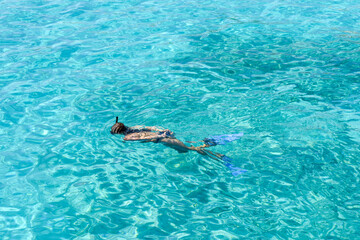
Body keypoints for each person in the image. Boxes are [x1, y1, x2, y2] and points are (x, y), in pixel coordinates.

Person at [110, 117, 247, 175]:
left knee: (192, 149)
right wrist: (164, 131)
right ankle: (214, 141)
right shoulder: (134, 127)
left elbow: (149, 137)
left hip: (163, 140)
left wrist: (161, 137)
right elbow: (151, 128)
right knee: (190, 145)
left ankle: (222, 158)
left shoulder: (128, 137)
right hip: (164, 136)